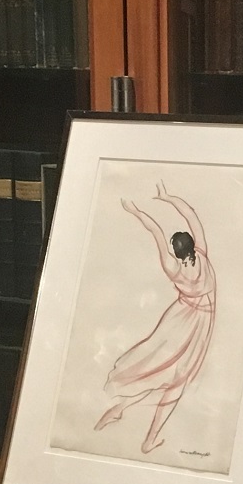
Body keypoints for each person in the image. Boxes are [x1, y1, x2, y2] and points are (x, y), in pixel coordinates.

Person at [95, 184, 217, 453]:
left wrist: (137, 211)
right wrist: (169, 198)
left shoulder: (172, 267)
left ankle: (122, 407)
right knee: (174, 380)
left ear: (176, 251)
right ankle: (148, 439)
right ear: (193, 245)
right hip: (195, 325)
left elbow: (157, 232)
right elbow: (192, 216)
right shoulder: (204, 254)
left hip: (180, 321)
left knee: (162, 374)